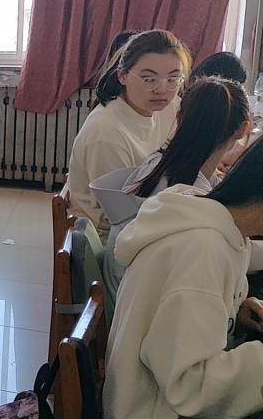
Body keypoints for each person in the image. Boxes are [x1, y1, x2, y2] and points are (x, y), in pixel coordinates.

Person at [103, 138, 263, 419]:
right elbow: (189, 386)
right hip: (150, 417)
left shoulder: (210, 219)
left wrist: (234, 313)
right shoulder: (203, 249)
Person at [97, 77, 252, 308]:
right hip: (140, 307)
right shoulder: (193, 200)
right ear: (242, 130)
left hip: (127, 300)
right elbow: (232, 249)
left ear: (179, 117)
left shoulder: (159, 163)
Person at [67, 29, 190, 230]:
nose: (162, 89)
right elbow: (119, 212)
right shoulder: (106, 132)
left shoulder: (170, 107)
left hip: (146, 208)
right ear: (123, 76)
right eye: (149, 79)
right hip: (107, 229)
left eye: (173, 79)